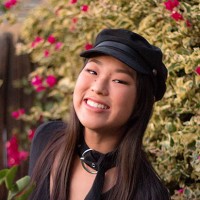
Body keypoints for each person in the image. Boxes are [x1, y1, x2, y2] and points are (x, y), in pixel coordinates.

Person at [28, 28, 171, 200]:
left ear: (140, 102)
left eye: (119, 80)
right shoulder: (46, 139)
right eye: (92, 71)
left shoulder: (148, 194)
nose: (98, 87)